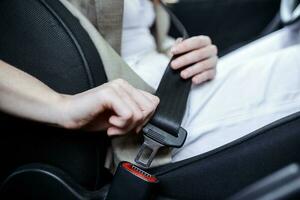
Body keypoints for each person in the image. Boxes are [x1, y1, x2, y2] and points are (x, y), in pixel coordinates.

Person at [0, 0, 299, 164]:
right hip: (153, 120)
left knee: (291, 38)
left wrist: (185, 53)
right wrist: (59, 105)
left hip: (170, 85)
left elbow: (134, 40)